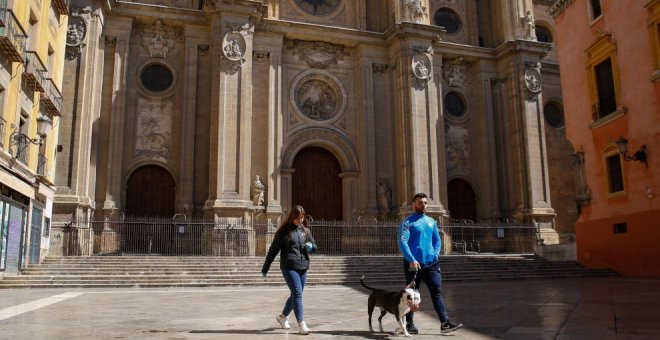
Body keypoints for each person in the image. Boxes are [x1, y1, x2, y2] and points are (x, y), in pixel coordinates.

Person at [398, 193, 462, 334]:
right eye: (421, 203)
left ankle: (445, 323)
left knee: (437, 292)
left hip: (431, 264)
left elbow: (437, 240)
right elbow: (402, 242)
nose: (424, 205)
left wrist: (436, 253)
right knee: (411, 295)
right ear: (414, 205)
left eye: (425, 203)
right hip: (413, 265)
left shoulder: (431, 222)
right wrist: (411, 259)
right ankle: (409, 324)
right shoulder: (407, 223)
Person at [261, 205, 317, 335]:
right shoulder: (283, 232)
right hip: (289, 266)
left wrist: (311, 247)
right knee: (297, 294)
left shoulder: (305, 231)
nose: (300, 220)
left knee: (295, 294)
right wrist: (265, 268)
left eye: (302, 217)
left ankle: (282, 317)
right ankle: (301, 325)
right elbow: (273, 250)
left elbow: (314, 245)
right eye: (298, 218)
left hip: (303, 266)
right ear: (292, 217)